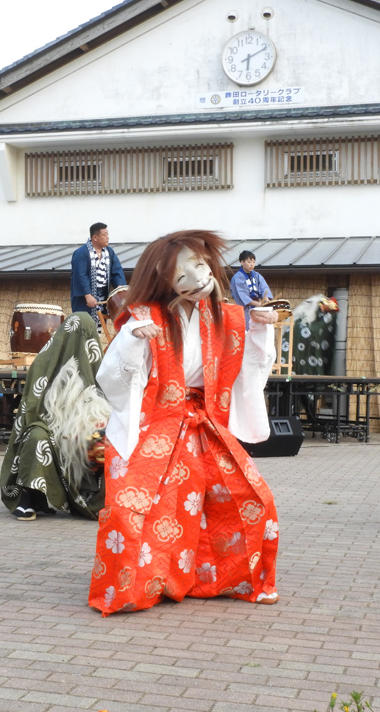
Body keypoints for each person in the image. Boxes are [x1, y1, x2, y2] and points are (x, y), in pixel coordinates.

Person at [88, 230, 280, 616]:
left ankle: (219, 578)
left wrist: (260, 327)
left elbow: (247, 368)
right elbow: (113, 378)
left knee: (251, 497)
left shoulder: (226, 317)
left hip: (205, 422)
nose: (196, 280)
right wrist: (132, 339)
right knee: (131, 506)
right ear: (163, 282)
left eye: (199, 266)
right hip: (155, 423)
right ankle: (136, 586)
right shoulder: (144, 317)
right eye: (181, 277)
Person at [0, 312, 110, 521]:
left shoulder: (97, 364)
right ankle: (28, 497)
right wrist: (52, 424)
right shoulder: (45, 363)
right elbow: (31, 405)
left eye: (86, 336)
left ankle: (98, 500)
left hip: (82, 428)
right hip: (49, 424)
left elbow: (106, 400)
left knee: (106, 441)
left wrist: (90, 426)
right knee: (36, 437)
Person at [70, 222, 127, 333]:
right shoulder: (81, 253)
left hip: (102, 296)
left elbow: (116, 271)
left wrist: (120, 290)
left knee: (99, 328)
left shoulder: (109, 252)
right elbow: (80, 275)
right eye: (104, 234)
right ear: (95, 237)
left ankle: (94, 349)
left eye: (108, 234)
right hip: (85, 298)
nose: (108, 237)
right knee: (83, 327)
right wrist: (87, 295)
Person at [229, 251, 272, 329]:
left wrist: (266, 299)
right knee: (246, 332)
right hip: (244, 309)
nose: (252, 264)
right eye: (249, 262)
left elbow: (264, 288)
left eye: (253, 262)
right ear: (242, 262)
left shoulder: (257, 275)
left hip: (257, 308)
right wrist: (256, 303)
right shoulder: (237, 278)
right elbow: (242, 295)